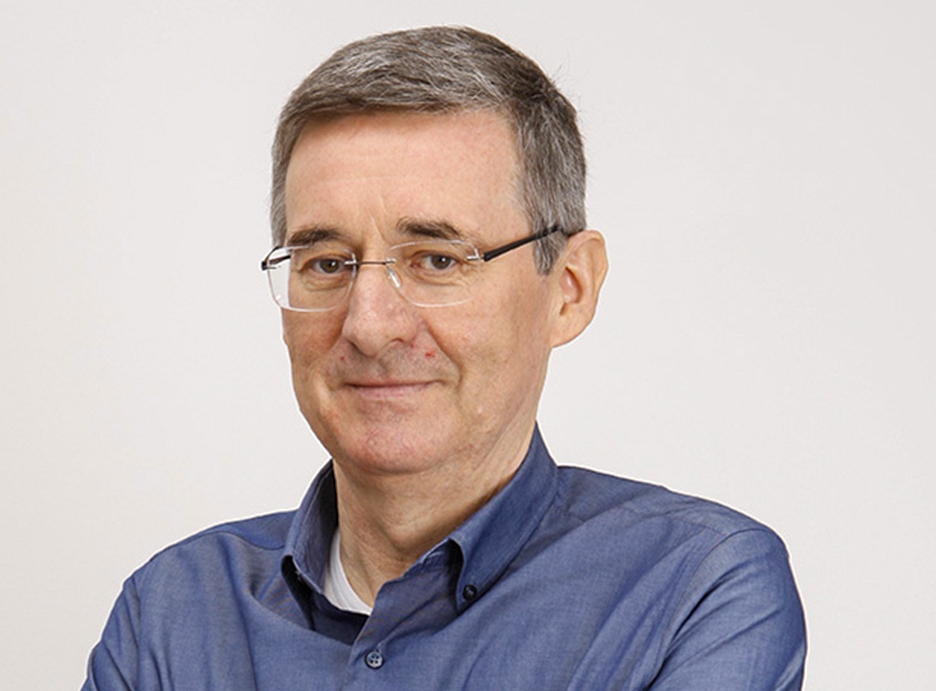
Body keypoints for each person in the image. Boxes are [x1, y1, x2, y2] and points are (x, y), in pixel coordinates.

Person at [82, 26, 805, 690]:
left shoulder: (693, 589)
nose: (370, 326)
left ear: (569, 289)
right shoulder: (173, 610)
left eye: (436, 259)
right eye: (327, 264)